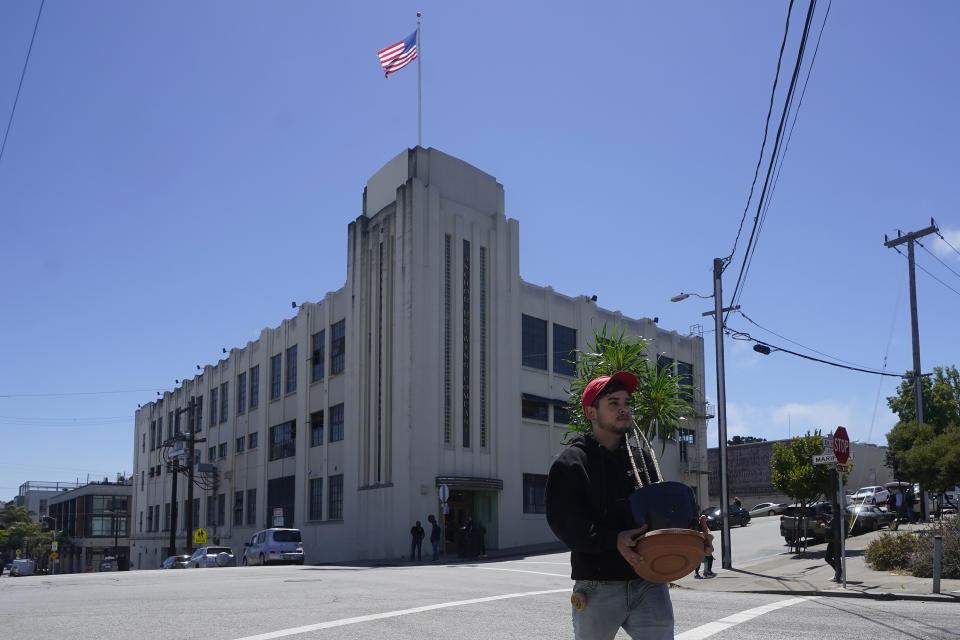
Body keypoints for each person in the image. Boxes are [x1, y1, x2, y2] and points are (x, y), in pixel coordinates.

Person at [546, 371, 713, 640]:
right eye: (613, 403)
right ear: (591, 413)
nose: (624, 408)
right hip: (597, 585)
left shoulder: (642, 459)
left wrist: (691, 535)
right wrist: (614, 540)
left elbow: (659, 517)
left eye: (626, 402)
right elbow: (566, 525)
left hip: (648, 582)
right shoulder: (572, 463)